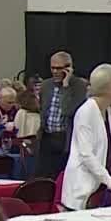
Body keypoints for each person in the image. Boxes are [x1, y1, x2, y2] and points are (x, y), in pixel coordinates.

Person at [61, 64, 111, 210]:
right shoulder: (86, 111)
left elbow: (109, 146)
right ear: (104, 87)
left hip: (100, 188)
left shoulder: (108, 111)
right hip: (82, 187)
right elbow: (86, 155)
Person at [35, 51, 88, 179]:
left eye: (58, 68)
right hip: (47, 138)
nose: (54, 71)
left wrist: (65, 86)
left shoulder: (79, 86)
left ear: (68, 68)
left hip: (66, 138)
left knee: (62, 178)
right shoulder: (46, 85)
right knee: (43, 177)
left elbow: (67, 110)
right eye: (52, 68)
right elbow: (43, 110)